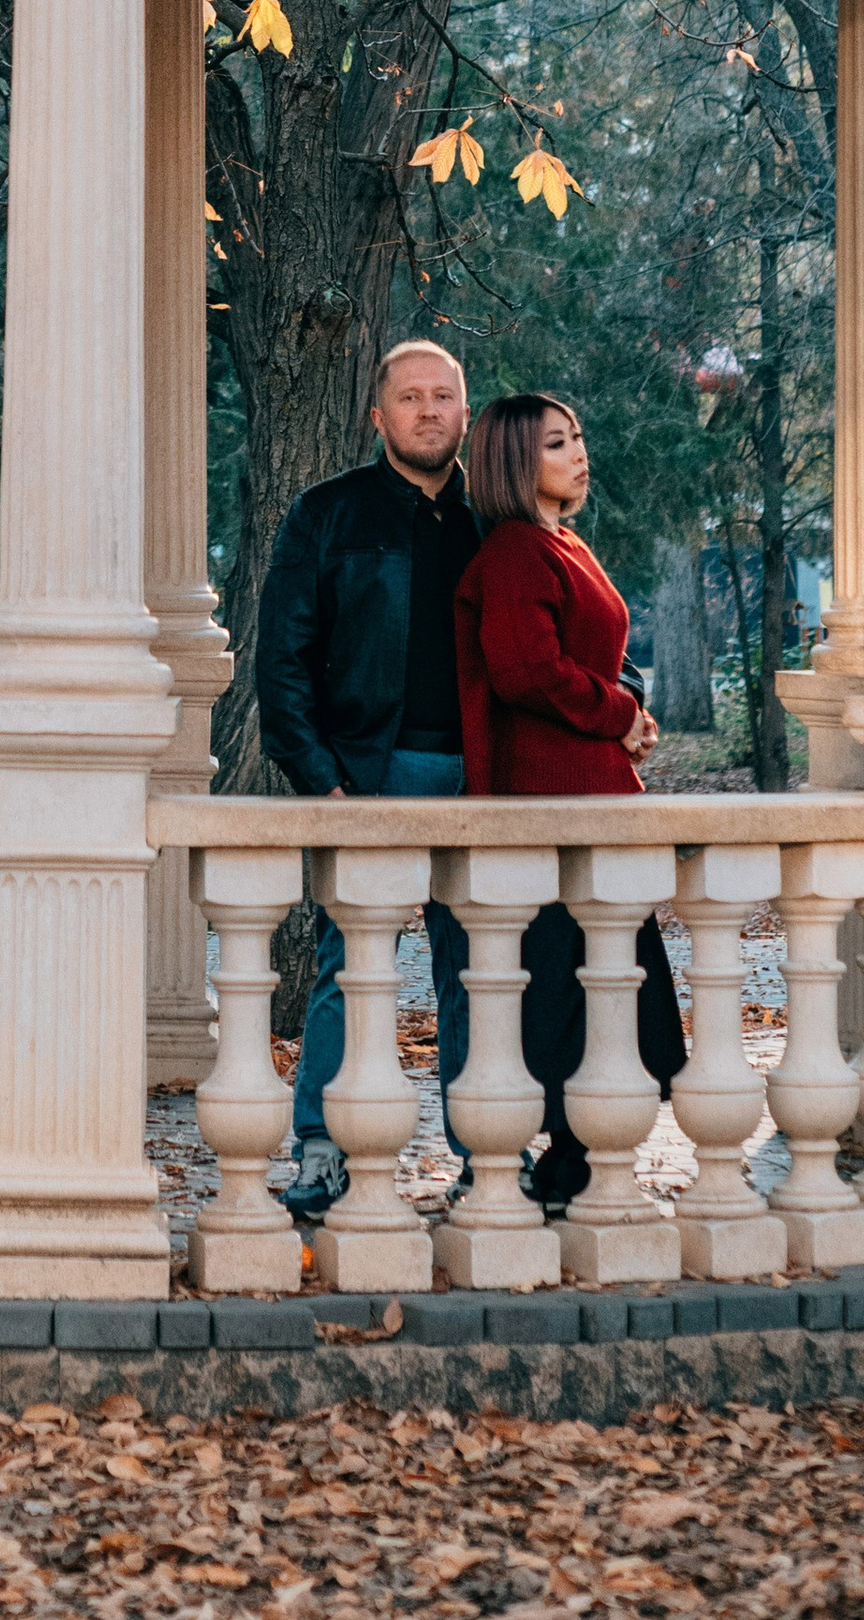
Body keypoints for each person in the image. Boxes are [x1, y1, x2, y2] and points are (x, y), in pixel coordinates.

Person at [253, 339, 478, 1223]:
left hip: (484, 782)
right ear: (377, 415)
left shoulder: (498, 518)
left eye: (444, 396)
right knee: (351, 968)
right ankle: (322, 1147)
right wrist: (325, 783)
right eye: (410, 396)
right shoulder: (327, 514)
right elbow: (284, 663)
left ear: (466, 411)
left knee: (480, 970)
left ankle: (487, 1154)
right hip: (367, 774)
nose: (428, 410)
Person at [453, 389, 686, 1215]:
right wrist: (619, 712)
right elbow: (523, 669)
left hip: (590, 791)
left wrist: (629, 713)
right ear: (517, 461)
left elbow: (581, 660)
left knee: (608, 979)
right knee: (567, 982)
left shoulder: (563, 542)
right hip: (548, 801)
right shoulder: (517, 549)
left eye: (579, 436)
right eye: (558, 442)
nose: (579, 451)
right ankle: (568, 1160)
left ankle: (572, 1160)